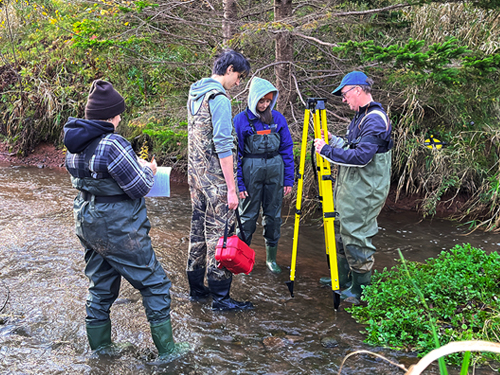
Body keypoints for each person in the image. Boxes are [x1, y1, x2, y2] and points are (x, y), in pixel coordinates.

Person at [64, 80, 188, 360]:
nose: (120, 118)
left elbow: (96, 176)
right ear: (110, 115)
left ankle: (102, 350)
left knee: (101, 284)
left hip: (87, 221)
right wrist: (149, 169)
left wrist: (133, 164)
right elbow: (139, 187)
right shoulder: (113, 143)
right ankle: (169, 352)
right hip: (117, 225)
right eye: (118, 113)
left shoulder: (75, 143)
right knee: (155, 284)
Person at [313, 71, 392, 305]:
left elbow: (362, 157)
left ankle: (360, 290)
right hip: (351, 190)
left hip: (365, 192)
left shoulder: (375, 119)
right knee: (342, 232)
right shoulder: (361, 117)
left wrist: (326, 150)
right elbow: (352, 146)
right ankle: (343, 278)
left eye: (345, 94)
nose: (343, 99)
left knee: (356, 236)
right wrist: (334, 141)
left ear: (358, 90)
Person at [186, 49, 254, 311]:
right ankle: (222, 299)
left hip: (196, 178)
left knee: (197, 233)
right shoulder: (219, 99)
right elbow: (224, 146)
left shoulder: (195, 93)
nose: (238, 82)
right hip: (215, 180)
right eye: (238, 76)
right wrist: (232, 189)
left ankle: (196, 290)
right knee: (222, 235)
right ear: (228, 71)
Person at [233, 77, 294, 274]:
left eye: (268, 101)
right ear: (253, 99)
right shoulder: (240, 120)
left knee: (273, 216)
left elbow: (287, 149)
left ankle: (271, 259)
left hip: (276, 171)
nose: (265, 105)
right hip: (250, 170)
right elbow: (236, 155)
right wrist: (239, 185)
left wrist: (288, 179)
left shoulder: (278, 118)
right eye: (261, 101)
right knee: (247, 217)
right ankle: (240, 258)